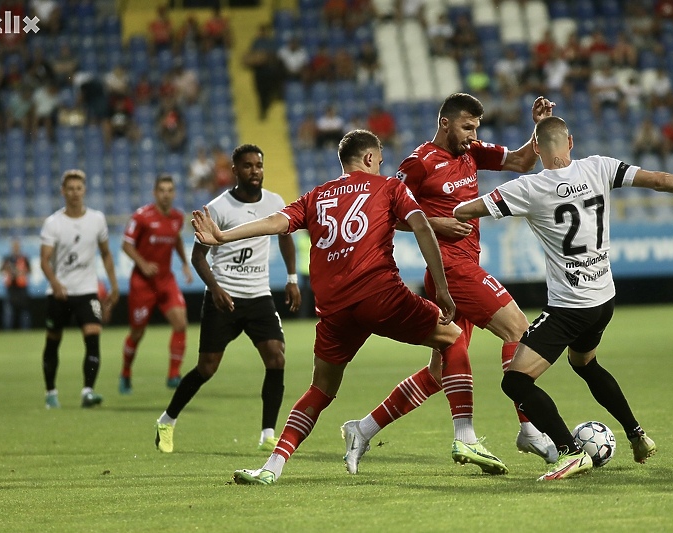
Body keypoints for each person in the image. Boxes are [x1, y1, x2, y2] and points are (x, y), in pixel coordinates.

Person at [453, 116, 673, 480]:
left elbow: (466, 210)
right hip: (603, 299)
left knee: (515, 382)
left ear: (539, 150)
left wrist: (453, 214)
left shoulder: (527, 188)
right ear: (570, 143)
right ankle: (638, 434)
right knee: (585, 364)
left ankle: (569, 451)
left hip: (569, 307)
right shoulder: (600, 167)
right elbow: (657, 179)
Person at [191, 129, 470, 485]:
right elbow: (421, 227)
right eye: (380, 159)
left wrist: (223, 236)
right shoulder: (389, 187)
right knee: (454, 338)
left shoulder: (317, 195)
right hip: (381, 296)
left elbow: (278, 222)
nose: (382, 164)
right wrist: (442, 289)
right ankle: (465, 436)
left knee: (320, 389)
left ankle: (271, 468)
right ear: (370, 158)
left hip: (334, 311)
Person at [344, 93, 559, 474]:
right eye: (467, 126)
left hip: (465, 265)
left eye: (477, 127)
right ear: (445, 123)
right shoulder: (420, 162)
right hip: (450, 269)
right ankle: (527, 427)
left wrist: (538, 128)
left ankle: (362, 429)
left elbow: (523, 161)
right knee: (519, 329)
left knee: (440, 373)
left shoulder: (472, 152)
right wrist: (436, 223)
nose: (473, 134)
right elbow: (387, 210)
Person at [154, 144, 301, 454]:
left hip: (259, 296)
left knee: (276, 357)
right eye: (247, 166)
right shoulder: (218, 208)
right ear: (234, 171)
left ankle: (267, 434)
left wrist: (291, 278)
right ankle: (167, 420)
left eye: (259, 165)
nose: (255, 171)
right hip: (225, 298)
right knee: (207, 368)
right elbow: (198, 257)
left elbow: (286, 237)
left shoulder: (275, 202)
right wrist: (216, 288)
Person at [40, 170, 120, 409]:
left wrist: (114, 285)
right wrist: (55, 283)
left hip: (87, 290)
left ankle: (88, 391)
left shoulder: (97, 219)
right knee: (53, 341)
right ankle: (51, 392)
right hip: (60, 292)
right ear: (63, 192)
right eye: (70, 188)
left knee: (93, 337)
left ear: (84, 190)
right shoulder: (53, 223)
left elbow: (106, 253)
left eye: (79, 188)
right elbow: (44, 260)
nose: (75, 193)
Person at [119, 175, 194, 394]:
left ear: (174, 193)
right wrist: (142, 264)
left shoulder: (177, 217)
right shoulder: (142, 217)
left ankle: (173, 375)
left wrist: (184, 264)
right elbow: (126, 244)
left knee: (180, 322)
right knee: (137, 332)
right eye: (162, 190)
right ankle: (125, 373)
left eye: (170, 190)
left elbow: (176, 238)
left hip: (165, 280)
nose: (166, 194)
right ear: (154, 193)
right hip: (142, 283)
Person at [0, 239, 32, 330]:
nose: (15, 249)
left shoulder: (24, 258)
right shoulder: (7, 259)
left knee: (24, 310)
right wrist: (7, 269)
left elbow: (29, 271)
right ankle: (7, 330)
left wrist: (19, 272)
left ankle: (26, 329)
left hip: (21, 287)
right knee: (8, 310)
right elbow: (1, 270)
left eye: (17, 247)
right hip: (11, 287)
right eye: (14, 247)